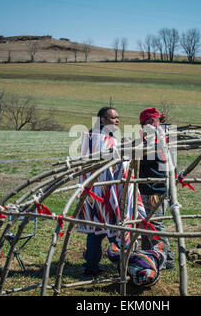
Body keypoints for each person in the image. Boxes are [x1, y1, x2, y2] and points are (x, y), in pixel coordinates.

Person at [82, 107, 120, 276]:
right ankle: (121, 266)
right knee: (112, 227)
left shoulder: (94, 136)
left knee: (95, 230)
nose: (117, 121)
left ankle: (91, 266)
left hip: (93, 189)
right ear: (103, 120)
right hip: (102, 190)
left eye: (118, 118)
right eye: (113, 118)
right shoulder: (100, 138)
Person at [138, 107, 175, 270]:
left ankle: (167, 259)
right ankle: (148, 255)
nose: (158, 122)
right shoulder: (154, 138)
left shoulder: (154, 140)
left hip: (153, 189)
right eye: (156, 120)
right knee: (146, 225)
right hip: (151, 187)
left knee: (155, 225)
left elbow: (145, 160)